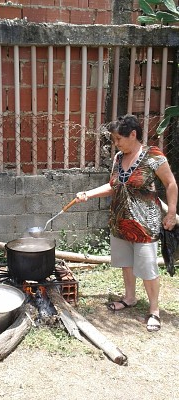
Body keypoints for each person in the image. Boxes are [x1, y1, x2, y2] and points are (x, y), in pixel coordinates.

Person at [76, 114, 178, 332]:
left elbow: (170, 184)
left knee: (148, 269)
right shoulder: (118, 158)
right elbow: (114, 185)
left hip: (144, 224)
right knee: (126, 263)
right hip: (120, 221)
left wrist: (171, 213)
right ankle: (129, 298)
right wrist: (88, 193)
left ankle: (154, 310)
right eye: (114, 140)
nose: (116, 144)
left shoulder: (153, 156)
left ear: (133, 134)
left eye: (118, 139)